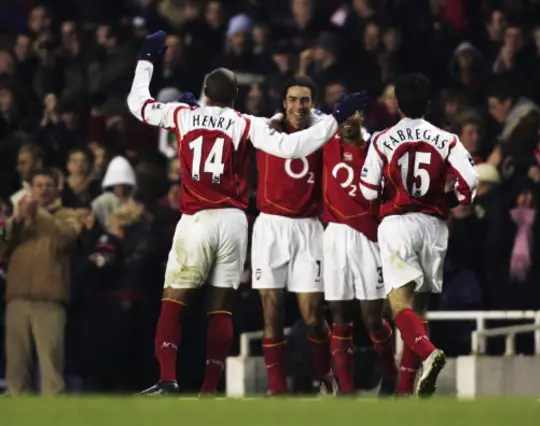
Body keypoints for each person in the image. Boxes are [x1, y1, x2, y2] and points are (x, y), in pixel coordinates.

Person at [126, 31, 368, 395]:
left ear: (206, 95)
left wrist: (146, 60)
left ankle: (168, 378)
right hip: (236, 223)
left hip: (197, 219)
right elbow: (288, 147)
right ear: (235, 97)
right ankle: (209, 388)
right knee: (221, 305)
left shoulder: (182, 114)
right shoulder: (246, 123)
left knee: (175, 299)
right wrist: (335, 118)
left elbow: (138, 104)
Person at [359, 73, 478, 397]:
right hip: (434, 227)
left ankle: (429, 353)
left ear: (397, 105)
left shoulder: (382, 140)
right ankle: (403, 391)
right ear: (429, 104)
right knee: (419, 308)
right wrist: (446, 200)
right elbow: (470, 184)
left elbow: (368, 190)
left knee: (400, 308)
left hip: (398, 223)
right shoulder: (447, 139)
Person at [251, 76, 335, 395]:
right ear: (283, 102)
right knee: (271, 309)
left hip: (308, 228)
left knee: (312, 316)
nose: (299, 106)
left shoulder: (323, 133)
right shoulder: (265, 130)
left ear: (312, 103)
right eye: (293, 99)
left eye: (305, 100)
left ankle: (325, 372)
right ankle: (277, 390)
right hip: (270, 227)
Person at [322, 111, 398, 395]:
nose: (346, 125)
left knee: (372, 318)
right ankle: (347, 390)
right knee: (339, 314)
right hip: (334, 236)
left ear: (362, 119)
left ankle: (390, 370)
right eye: (341, 119)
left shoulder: (376, 150)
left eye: (352, 118)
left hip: (369, 240)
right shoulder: (327, 145)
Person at [1, 168, 82, 395]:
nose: (43, 189)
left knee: (51, 369)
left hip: (50, 300)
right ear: (30, 189)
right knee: (15, 370)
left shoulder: (68, 215)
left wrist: (39, 215)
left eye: (48, 185)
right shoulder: (19, 219)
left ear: (57, 190)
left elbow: (66, 238)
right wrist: (15, 222)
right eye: (38, 185)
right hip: (16, 299)